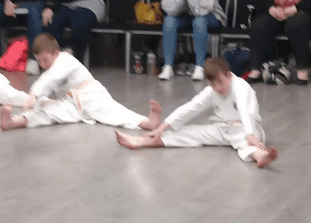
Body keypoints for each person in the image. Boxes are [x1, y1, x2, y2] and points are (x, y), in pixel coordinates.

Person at [115, 56, 278, 167]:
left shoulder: (241, 86)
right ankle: (141, 141)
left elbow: (245, 109)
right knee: (187, 132)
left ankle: (260, 156)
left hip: (247, 129)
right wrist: (161, 128)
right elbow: (190, 108)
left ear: (229, 75)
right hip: (222, 128)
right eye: (213, 84)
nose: (218, 88)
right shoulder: (212, 91)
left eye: (221, 82)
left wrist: (250, 134)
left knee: (241, 139)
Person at [0, 32, 160, 132]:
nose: (42, 65)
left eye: (45, 60)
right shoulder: (52, 67)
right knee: (48, 112)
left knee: (115, 113)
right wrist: (38, 100)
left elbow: (50, 78)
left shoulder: (65, 59)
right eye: (39, 62)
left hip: (92, 96)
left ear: (55, 53)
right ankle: (14, 122)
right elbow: (48, 85)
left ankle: (147, 122)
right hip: (70, 103)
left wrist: (33, 94)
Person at [158, 0, 225, 82]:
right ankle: (168, 67)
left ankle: (199, 66)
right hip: (186, 15)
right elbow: (170, 10)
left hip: (210, 15)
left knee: (198, 21)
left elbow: (201, 11)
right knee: (169, 21)